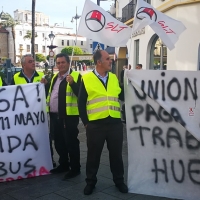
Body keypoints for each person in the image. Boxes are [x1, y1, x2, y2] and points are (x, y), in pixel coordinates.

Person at [78, 50, 128, 195]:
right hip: (95, 125)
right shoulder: (86, 78)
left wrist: (132, 79)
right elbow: (81, 103)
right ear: (99, 62)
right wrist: (86, 123)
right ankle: (90, 182)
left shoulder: (113, 77)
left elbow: (123, 95)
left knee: (116, 156)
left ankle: (119, 181)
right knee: (93, 156)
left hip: (114, 123)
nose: (111, 61)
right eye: (107, 59)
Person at [46, 53, 81, 180]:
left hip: (69, 116)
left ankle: (75, 168)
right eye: (58, 63)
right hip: (55, 116)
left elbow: (81, 95)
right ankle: (64, 164)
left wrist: (72, 83)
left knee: (71, 142)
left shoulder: (76, 76)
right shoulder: (55, 77)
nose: (60, 65)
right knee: (59, 142)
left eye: (63, 62)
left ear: (68, 63)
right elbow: (51, 94)